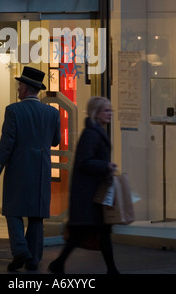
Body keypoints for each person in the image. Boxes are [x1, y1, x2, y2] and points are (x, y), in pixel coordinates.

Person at [0, 66, 61, 272]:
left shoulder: (13, 111)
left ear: (27, 88)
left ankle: (20, 250)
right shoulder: (51, 113)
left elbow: (6, 145)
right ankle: (33, 259)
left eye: (19, 85)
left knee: (13, 211)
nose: (18, 88)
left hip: (18, 169)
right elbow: (56, 140)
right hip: (41, 170)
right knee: (36, 216)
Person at [48, 96, 119, 275]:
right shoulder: (91, 134)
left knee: (94, 232)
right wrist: (106, 166)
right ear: (96, 112)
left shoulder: (96, 131)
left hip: (93, 192)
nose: (110, 113)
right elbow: (84, 162)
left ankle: (60, 263)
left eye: (110, 110)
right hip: (89, 193)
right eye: (106, 110)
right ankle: (111, 270)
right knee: (93, 232)